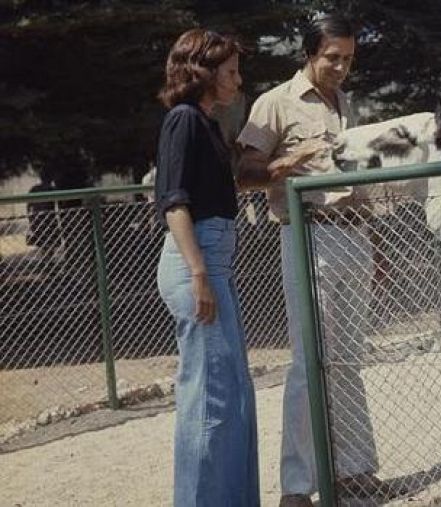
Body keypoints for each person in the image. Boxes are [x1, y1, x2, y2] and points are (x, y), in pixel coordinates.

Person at [236, 13, 394, 507]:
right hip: (307, 239)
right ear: (309, 54)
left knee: (348, 360)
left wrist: (379, 245)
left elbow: (359, 177)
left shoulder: (345, 102)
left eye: (348, 58)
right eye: (332, 58)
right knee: (309, 364)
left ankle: (354, 471)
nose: (341, 67)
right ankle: (297, 487)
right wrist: (288, 164)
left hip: (354, 237)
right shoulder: (275, 104)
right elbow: (244, 171)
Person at [154, 28, 260, 507]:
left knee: (233, 393)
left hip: (215, 260)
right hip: (197, 261)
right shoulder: (182, 120)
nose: (238, 81)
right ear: (204, 71)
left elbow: (220, 191)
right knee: (209, 401)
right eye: (231, 71)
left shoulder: (207, 123)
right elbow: (175, 203)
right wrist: (199, 275)